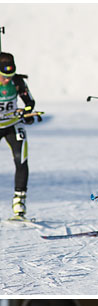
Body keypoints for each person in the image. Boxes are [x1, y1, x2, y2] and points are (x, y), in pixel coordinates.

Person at [0, 47, 37, 219]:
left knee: (20, 159)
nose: (7, 80)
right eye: (3, 76)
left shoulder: (17, 82)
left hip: (12, 125)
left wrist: (26, 112)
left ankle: (19, 204)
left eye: (10, 76)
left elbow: (30, 102)